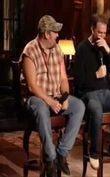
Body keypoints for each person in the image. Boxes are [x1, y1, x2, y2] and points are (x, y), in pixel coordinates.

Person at [21, 15, 85, 177]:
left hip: (56, 96)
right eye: (55, 32)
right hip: (37, 98)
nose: (58, 35)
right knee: (42, 109)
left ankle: (62, 153)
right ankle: (50, 157)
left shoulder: (57, 50)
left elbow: (63, 78)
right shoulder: (30, 50)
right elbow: (31, 86)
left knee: (79, 107)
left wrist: (64, 97)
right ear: (47, 34)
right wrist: (50, 101)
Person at [74, 14, 110, 170]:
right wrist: (96, 75)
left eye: (104, 33)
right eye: (99, 32)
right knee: (96, 109)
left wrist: (108, 50)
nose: (102, 36)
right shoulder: (81, 49)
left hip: (105, 93)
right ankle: (94, 153)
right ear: (92, 29)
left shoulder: (104, 48)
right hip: (89, 94)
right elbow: (79, 82)